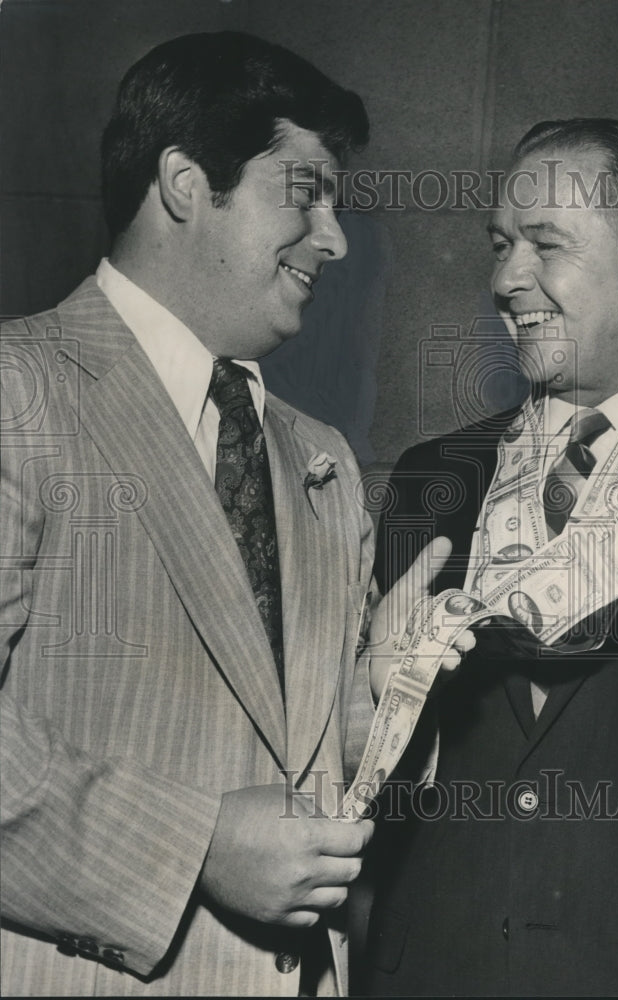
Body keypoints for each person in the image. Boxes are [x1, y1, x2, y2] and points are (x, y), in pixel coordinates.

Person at [0, 31, 468, 997]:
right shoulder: (19, 392)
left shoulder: (319, 457)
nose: (334, 239)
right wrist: (197, 846)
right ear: (185, 183)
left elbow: (296, 755)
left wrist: (378, 698)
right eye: (306, 193)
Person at [363, 119, 618, 996]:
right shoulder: (429, 480)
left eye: (545, 244)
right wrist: (380, 709)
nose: (505, 278)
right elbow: (369, 801)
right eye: (500, 244)